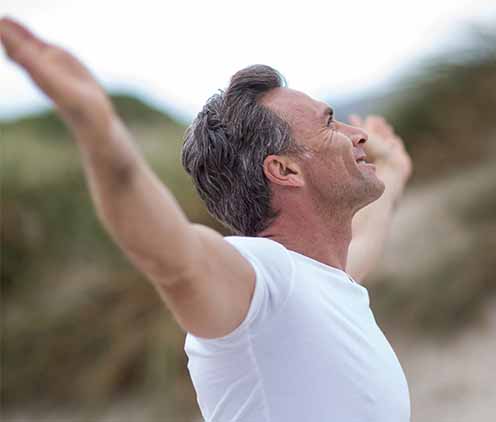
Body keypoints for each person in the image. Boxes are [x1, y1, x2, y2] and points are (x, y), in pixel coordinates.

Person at [0, 16, 413, 422]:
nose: (355, 134)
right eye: (328, 123)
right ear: (285, 170)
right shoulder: (262, 277)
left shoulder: (324, 278)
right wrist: (98, 130)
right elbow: (174, 258)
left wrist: (392, 171)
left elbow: (363, 244)